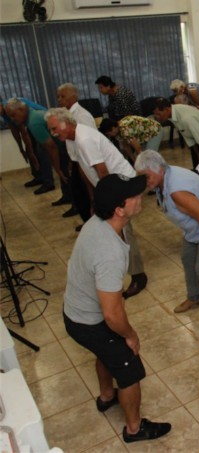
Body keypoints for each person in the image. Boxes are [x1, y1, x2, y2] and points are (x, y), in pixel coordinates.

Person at [62, 174, 171, 443]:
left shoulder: (97, 222)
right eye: (133, 195)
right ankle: (134, 429)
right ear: (119, 209)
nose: (139, 196)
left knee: (107, 351)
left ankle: (106, 397)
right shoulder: (109, 251)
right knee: (129, 367)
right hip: (89, 321)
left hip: (74, 313)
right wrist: (130, 335)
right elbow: (112, 315)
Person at [46, 108, 149, 299]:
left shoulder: (85, 139)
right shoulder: (73, 139)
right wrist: (93, 196)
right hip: (110, 186)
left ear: (66, 123)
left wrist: (109, 201)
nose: (53, 134)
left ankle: (138, 276)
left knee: (126, 231)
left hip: (121, 186)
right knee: (118, 233)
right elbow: (84, 169)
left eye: (54, 129)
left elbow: (103, 173)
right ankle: (120, 269)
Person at [135, 150, 199, 338]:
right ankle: (194, 298)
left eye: (147, 177)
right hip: (194, 229)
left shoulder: (177, 190)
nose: (145, 182)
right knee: (187, 258)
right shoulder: (165, 178)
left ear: (160, 169)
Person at [5, 98, 67, 198]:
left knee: (64, 173)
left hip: (64, 147)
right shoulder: (32, 115)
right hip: (61, 144)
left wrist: (57, 168)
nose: (12, 119)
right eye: (10, 117)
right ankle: (67, 197)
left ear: (21, 110)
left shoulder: (33, 122)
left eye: (13, 115)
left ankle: (72, 201)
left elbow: (52, 148)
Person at [56, 83, 96, 221]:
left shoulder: (82, 115)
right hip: (75, 160)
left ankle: (92, 221)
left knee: (85, 194)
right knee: (78, 195)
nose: (60, 99)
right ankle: (89, 221)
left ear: (74, 96)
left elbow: (90, 140)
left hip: (85, 160)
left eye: (63, 96)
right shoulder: (67, 115)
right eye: (58, 97)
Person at [153, 97, 199, 168]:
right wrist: (198, 154)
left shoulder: (185, 117)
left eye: (158, 114)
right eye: (155, 114)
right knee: (198, 165)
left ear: (167, 110)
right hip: (198, 133)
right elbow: (185, 133)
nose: (156, 117)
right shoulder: (172, 113)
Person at [99, 115, 163, 162]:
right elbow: (126, 147)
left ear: (113, 128)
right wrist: (134, 161)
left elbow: (138, 148)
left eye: (109, 134)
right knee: (143, 157)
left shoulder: (125, 129)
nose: (109, 136)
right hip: (146, 135)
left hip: (155, 131)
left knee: (149, 158)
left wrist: (139, 165)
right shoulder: (118, 131)